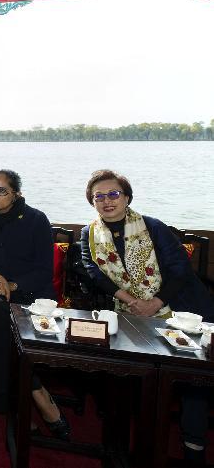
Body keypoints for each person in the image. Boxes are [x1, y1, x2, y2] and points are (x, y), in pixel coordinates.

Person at [80, 169, 214, 465]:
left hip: (179, 307)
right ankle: (124, 444)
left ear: (127, 197)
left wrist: (155, 302)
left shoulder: (153, 227)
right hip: (129, 312)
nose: (107, 201)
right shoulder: (89, 234)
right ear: (92, 202)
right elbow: (95, 274)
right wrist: (132, 301)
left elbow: (180, 270)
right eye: (99, 196)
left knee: (193, 378)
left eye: (114, 194)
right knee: (128, 373)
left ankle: (193, 444)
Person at [0, 169, 69, 439]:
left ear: (17, 194)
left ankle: (11, 402)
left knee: (1, 327)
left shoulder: (36, 220)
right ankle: (35, 392)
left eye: (1, 191)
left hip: (30, 293)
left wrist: (11, 285)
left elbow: (43, 270)